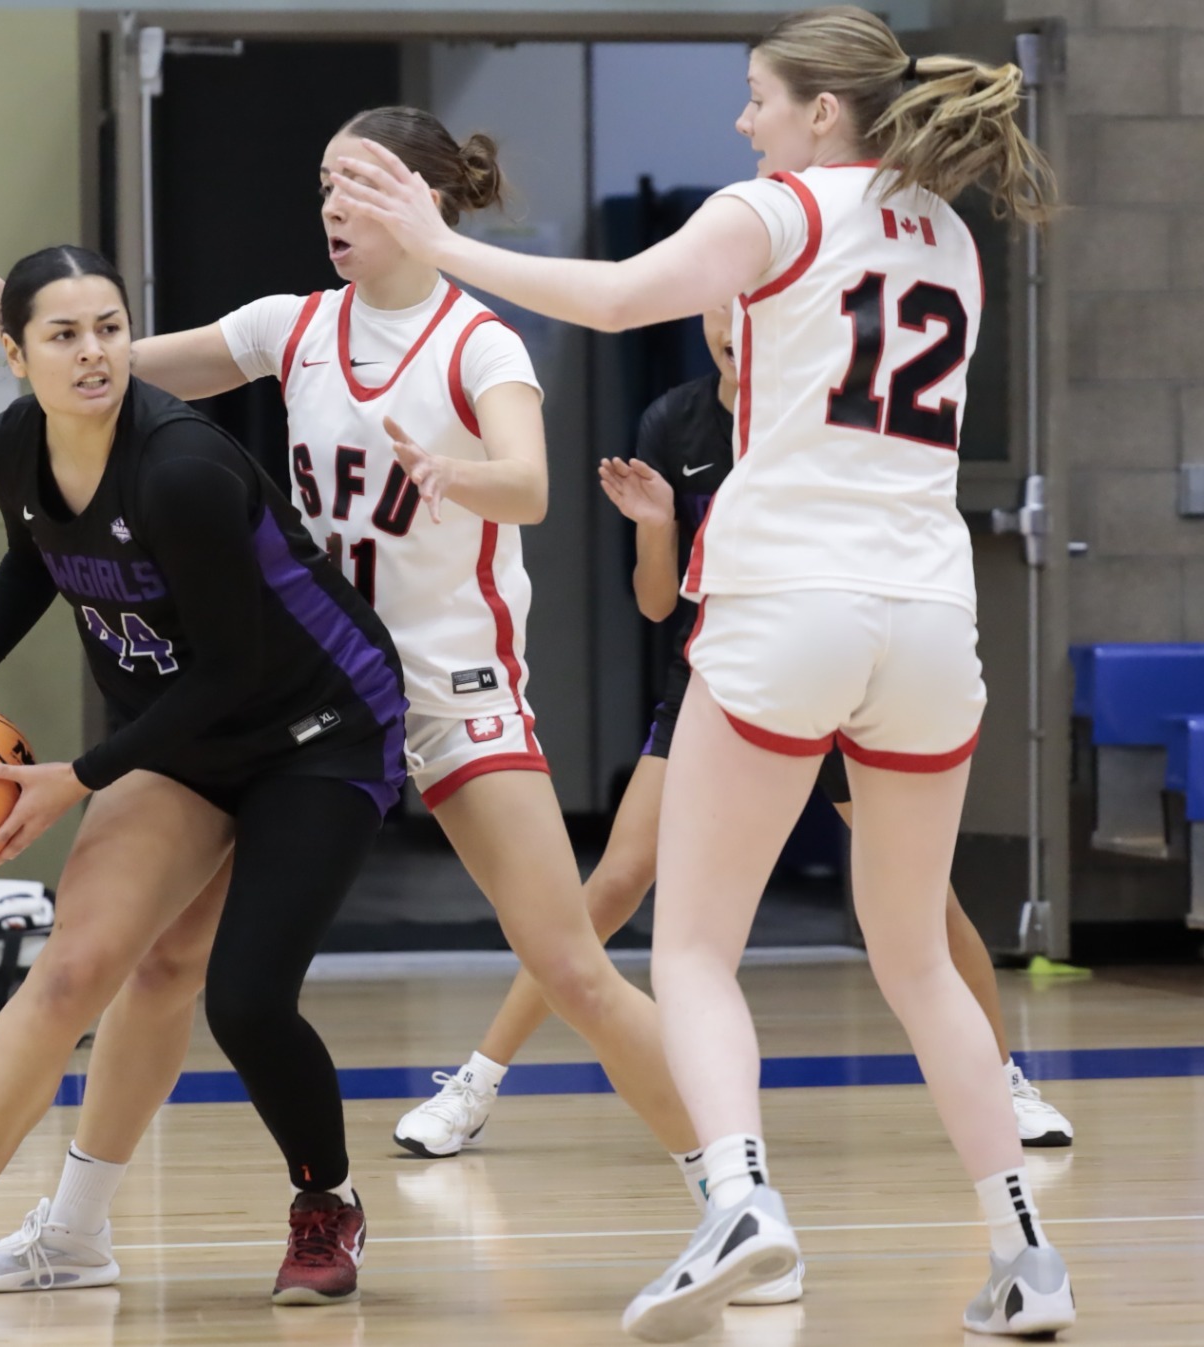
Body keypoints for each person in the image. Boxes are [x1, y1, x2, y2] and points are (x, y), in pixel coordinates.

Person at [0, 105, 718, 1305]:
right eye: (322, 185)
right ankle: (72, 1229)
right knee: (161, 967)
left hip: (443, 690)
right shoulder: (294, 326)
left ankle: (733, 1195)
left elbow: (528, 487)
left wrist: (456, 474)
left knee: (568, 966)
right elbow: (95, 362)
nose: (329, 208)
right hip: (294, 680)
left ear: (423, 198)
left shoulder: (478, 345)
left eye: (356, 185)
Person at [332, 5, 1072, 1338]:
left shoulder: (774, 209)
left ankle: (738, 1199)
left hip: (789, 600)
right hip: (928, 614)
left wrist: (439, 244)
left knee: (690, 944)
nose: (742, 121)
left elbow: (618, 299)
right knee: (916, 954)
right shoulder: (949, 235)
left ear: (820, 112)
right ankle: (1026, 1255)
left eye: (756, 97)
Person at [0, 244, 409, 1322]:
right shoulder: (12, 447)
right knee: (83, 968)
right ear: (16, 354)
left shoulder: (180, 469)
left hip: (320, 728)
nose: (94, 352)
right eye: (64, 335)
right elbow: (35, 556)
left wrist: (78, 777)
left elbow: (235, 667)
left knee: (242, 996)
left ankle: (326, 1202)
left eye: (109, 327)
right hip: (190, 731)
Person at [394, 309, 1074, 1158]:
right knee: (613, 882)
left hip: (833, 672)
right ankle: (476, 1080)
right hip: (718, 678)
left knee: (925, 902)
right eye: (716, 306)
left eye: (746, 301)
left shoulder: (828, 412)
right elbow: (655, 603)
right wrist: (655, 525)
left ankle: (1004, 1081)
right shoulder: (673, 422)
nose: (732, 323)